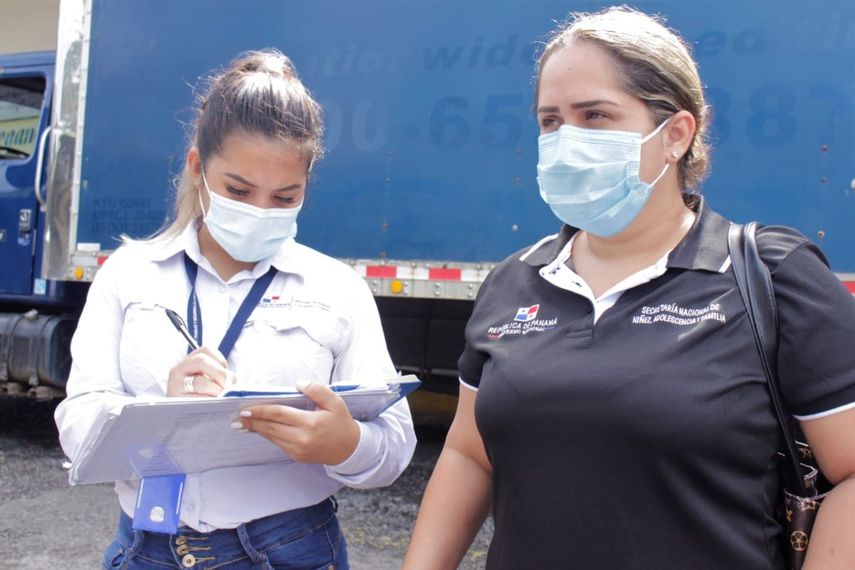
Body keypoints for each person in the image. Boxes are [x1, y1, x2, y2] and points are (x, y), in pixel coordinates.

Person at [403, 7, 855, 569]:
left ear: (676, 135)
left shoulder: (770, 275)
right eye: (550, 121)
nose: (567, 140)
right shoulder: (514, 280)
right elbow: (470, 454)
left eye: (595, 115)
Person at [55, 49, 416, 570]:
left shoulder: (338, 289)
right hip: (147, 550)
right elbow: (77, 425)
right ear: (197, 168)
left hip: (288, 549)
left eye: (284, 197)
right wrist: (159, 411)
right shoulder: (129, 274)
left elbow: (395, 443)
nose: (259, 212)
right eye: (238, 191)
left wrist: (348, 444)